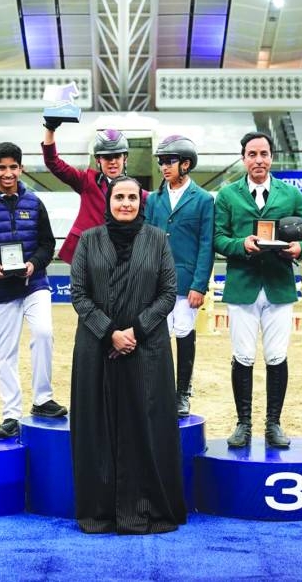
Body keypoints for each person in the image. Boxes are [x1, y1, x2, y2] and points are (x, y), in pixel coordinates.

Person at [69, 175, 186, 534]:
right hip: (96, 348)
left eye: (132, 197)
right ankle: (100, 510)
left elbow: (168, 292)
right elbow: (78, 293)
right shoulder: (89, 240)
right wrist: (110, 333)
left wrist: (134, 330)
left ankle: (148, 506)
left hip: (147, 348)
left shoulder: (157, 240)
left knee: (146, 427)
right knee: (97, 427)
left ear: (141, 202)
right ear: (108, 201)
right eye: (119, 197)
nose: (125, 203)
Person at [213, 131, 302, 449]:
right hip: (243, 287)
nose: (259, 160)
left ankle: (274, 424)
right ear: (243, 158)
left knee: (277, 357)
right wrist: (241, 244)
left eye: (264, 154)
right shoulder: (227, 196)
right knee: (243, 356)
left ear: (272, 157)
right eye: (252, 154)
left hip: (279, 286)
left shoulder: (290, 194)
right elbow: (218, 237)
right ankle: (243, 424)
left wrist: (300, 248)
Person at [0, 142, 68, 440]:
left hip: (34, 284)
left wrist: (33, 265)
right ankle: (11, 414)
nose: (8, 173)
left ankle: (42, 400)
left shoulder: (35, 203)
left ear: (21, 168)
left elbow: (48, 245)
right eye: (2, 167)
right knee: (6, 354)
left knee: (44, 334)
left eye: (13, 167)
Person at [144, 135, 214, 416]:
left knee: (184, 333)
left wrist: (199, 285)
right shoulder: (154, 199)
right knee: (156, 336)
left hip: (186, 283)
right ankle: (157, 390)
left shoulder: (204, 200)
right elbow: (146, 238)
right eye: (161, 161)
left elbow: (207, 244)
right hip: (156, 280)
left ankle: (183, 391)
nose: (163, 166)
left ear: (186, 164)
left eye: (169, 161)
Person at [41, 122, 146, 264]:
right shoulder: (87, 181)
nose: (113, 162)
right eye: (107, 157)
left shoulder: (138, 193)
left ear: (125, 158)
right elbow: (53, 163)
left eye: (117, 156)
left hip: (120, 258)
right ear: (98, 160)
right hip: (87, 255)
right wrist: (50, 128)